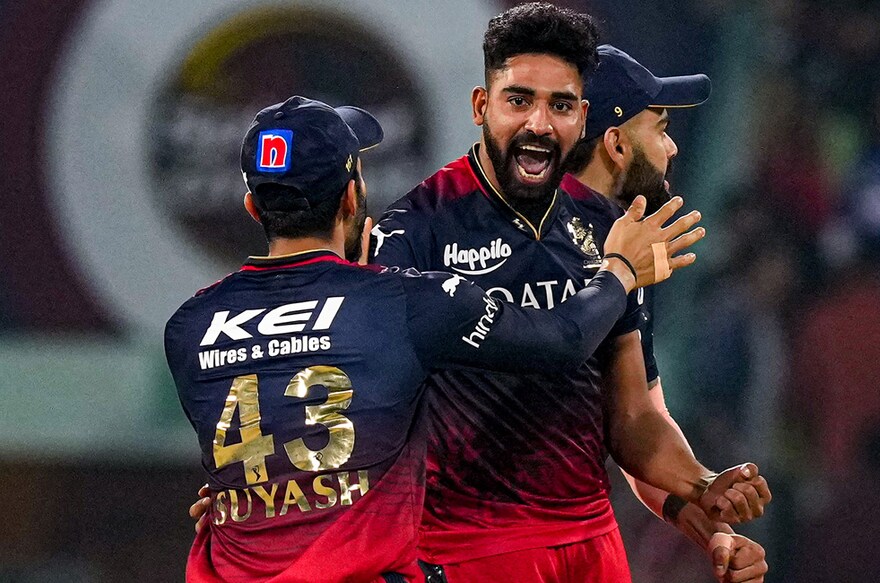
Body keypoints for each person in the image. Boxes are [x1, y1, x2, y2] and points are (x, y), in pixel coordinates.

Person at [165, 95, 708, 582]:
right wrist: (619, 270)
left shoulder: (187, 328)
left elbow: (272, 429)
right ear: (353, 198)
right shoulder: (405, 303)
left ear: (254, 208)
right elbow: (560, 343)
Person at [369, 4, 769, 582]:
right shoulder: (416, 229)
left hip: (593, 544)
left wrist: (704, 487)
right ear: (482, 106)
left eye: (559, 106)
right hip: (471, 550)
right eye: (518, 100)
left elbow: (632, 414)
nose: (538, 123)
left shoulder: (611, 229)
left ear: (582, 117)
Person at [563, 45, 769, 582]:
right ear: (615, 144)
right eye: (659, 127)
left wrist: (711, 517)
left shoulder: (625, 250)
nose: (673, 146)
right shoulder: (520, 243)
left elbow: (635, 422)